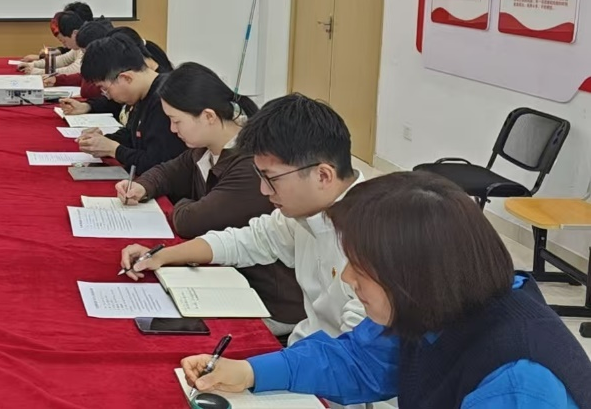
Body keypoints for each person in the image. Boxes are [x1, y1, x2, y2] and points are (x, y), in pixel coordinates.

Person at [181, 172, 591, 409]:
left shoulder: (519, 383)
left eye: (361, 269)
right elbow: (358, 361)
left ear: (414, 275)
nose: (347, 279)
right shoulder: (439, 304)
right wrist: (250, 372)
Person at [119, 93, 365, 347]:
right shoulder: (306, 212)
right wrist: (163, 256)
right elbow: (246, 240)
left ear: (323, 176)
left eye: (271, 178)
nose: (264, 190)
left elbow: (354, 354)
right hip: (304, 350)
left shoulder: (373, 239)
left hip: (324, 363)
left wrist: (254, 368)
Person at [114, 62, 305, 333]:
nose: (172, 129)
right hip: (229, 278)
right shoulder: (205, 147)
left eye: (176, 121)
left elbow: (191, 222)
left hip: (266, 300)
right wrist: (142, 186)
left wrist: (183, 203)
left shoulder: (250, 164)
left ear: (208, 117)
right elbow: (168, 171)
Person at [76, 35, 186, 171]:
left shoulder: (165, 101)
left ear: (126, 78)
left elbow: (157, 163)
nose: (107, 97)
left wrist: (114, 150)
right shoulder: (143, 94)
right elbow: (132, 135)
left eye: (105, 89)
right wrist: (103, 141)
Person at [21, 10, 85, 75]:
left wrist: (38, 71)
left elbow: (73, 70)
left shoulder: (87, 46)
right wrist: (33, 64)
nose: (65, 46)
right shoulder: (78, 46)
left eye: (64, 41)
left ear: (75, 34)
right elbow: (63, 60)